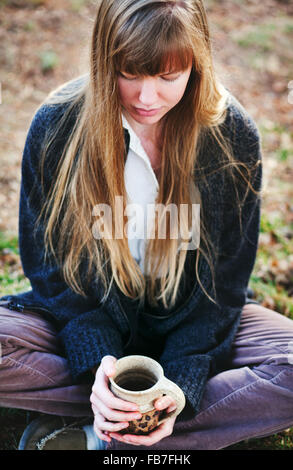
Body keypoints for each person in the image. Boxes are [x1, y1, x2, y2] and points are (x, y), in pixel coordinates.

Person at [0, 0, 292, 451]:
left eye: (168, 76)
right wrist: (97, 364)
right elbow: (52, 273)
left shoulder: (232, 135)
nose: (146, 97)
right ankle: (116, 408)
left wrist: (181, 384)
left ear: (197, 65)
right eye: (129, 73)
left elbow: (224, 285)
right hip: (87, 322)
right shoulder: (57, 127)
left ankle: (105, 435)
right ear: (103, 61)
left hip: (196, 324)